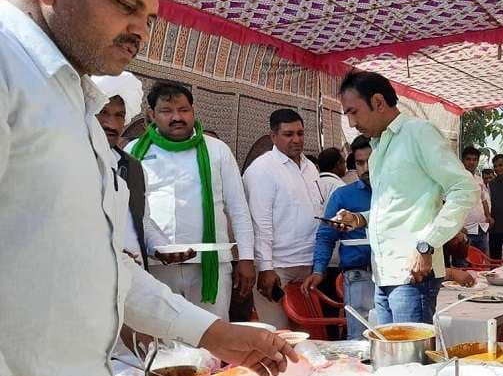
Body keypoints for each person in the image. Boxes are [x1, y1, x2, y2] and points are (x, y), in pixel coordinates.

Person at [0, 0, 297, 376]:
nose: (139, 31)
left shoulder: (76, 104)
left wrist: (211, 332)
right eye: (122, 4)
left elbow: (103, 263)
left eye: (149, 17)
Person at [331, 71, 478, 324]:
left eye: (353, 112)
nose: (352, 123)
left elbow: (464, 189)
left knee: (412, 362)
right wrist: (359, 219)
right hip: (383, 274)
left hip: (413, 275)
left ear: (378, 102)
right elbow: (397, 206)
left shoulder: (418, 133)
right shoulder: (377, 151)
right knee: (392, 358)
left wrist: (427, 244)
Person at [125, 82, 256, 320]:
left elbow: (238, 208)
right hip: (156, 265)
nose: (177, 117)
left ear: (193, 111)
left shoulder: (217, 150)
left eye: (183, 110)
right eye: (167, 111)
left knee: (213, 342)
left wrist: (246, 258)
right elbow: (128, 210)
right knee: (163, 342)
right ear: (152, 115)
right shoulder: (135, 151)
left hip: (210, 265)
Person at [243, 109, 322, 329]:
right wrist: (266, 268)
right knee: (278, 335)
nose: (296, 140)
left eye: (300, 133)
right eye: (288, 134)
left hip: (308, 265)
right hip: (277, 268)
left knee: (308, 336)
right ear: (273, 136)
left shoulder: (310, 168)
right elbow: (260, 223)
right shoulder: (262, 169)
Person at [92, 72, 177, 269]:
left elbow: (142, 221)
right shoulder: (71, 158)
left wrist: (160, 247)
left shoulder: (133, 168)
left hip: (132, 278)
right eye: (103, 112)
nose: (110, 124)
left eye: (118, 115)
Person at [302, 136, 374, 339]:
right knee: (361, 339)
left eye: (371, 161)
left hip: (397, 278)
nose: (366, 168)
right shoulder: (343, 196)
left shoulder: (397, 194)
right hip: (360, 276)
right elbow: (326, 236)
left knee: (397, 338)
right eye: (360, 163)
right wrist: (318, 270)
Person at [458, 146, 492, 264]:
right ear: (463, 161)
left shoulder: (479, 179)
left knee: (480, 266)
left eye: (474, 159)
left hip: (481, 228)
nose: (471, 162)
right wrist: (457, 227)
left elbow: (483, 200)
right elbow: (447, 203)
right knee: (464, 266)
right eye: (468, 159)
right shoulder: (457, 178)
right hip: (465, 230)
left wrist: (488, 216)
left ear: (478, 161)